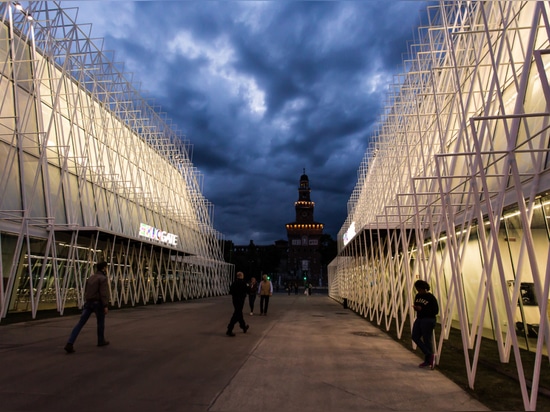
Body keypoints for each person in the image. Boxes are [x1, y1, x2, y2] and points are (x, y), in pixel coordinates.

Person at [64, 261, 110, 353]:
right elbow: (103, 293)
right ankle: (100, 340)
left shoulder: (91, 278)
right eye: (106, 268)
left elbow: (86, 291)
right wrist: (105, 305)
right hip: (98, 303)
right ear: (104, 268)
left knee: (80, 323)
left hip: (88, 303)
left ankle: (70, 342)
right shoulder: (103, 278)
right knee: (100, 322)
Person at [412, 279, 439, 369]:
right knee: (415, 336)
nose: (418, 290)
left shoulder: (430, 297)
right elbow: (417, 305)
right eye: (417, 289)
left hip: (428, 320)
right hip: (419, 319)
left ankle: (428, 360)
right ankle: (429, 354)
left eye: (419, 289)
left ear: (423, 288)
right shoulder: (417, 296)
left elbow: (435, 311)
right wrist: (416, 308)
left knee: (427, 339)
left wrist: (422, 309)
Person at [226, 271, 249, 336]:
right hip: (241, 300)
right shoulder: (244, 283)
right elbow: (248, 290)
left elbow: (230, 291)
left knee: (239, 313)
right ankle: (229, 329)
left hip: (235, 300)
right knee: (237, 314)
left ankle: (243, 326)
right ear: (242, 276)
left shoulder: (234, 283)